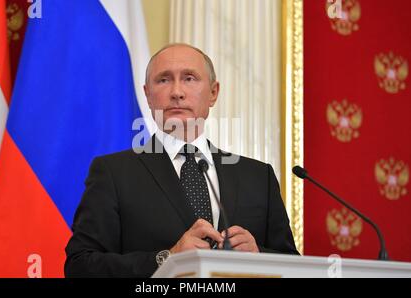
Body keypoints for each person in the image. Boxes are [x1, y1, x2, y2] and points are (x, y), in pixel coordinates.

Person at [64, 43, 299, 278]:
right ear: (148, 95)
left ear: (213, 93)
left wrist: (258, 255)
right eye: (164, 80)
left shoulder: (258, 176)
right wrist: (168, 258)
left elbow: (293, 266)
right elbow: (80, 266)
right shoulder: (113, 173)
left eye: (189, 78)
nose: (177, 92)